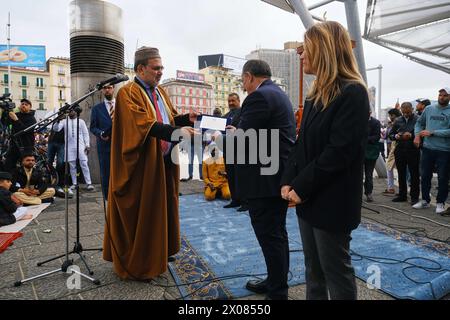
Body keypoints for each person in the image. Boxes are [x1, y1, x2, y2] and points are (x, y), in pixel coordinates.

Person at [281, 21, 370, 300]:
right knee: (313, 271)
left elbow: (338, 152)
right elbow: (302, 145)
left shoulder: (353, 92)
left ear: (324, 50)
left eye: (305, 49)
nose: (301, 54)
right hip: (309, 198)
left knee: (336, 273)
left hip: (332, 200)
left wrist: (301, 187)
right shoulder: (316, 93)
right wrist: (287, 180)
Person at [103, 46, 196, 280]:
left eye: (162, 68)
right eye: (156, 68)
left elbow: (169, 117)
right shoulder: (127, 93)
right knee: (144, 212)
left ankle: (159, 251)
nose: (160, 72)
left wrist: (187, 119)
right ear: (141, 69)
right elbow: (143, 125)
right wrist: (177, 131)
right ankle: (140, 263)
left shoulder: (160, 92)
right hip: (142, 166)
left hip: (162, 162)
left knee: (162, 209)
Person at [230, 59, 296, 300]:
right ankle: (275, 281)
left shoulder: (258, 97)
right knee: (276, 234)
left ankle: (278, 292)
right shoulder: (277, 93)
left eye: (243, 80)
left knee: (270, 236)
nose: (243, 86)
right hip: (276, 176)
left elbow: (242, 139)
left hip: (264, 180)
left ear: (249, 76)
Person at [413, 87, 450, 214]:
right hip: (428, 148)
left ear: (449, 97)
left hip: (444, 150)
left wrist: (433, 132)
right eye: (440, 95)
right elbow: (419, 123)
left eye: (445, 95)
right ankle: (425, 200)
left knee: (443, 177)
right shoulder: (429, 109)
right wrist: (417, 135)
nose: (442, 97)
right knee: (425, 176)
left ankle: (440, 203)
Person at [52, 109, 95, 192]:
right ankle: (74, 183)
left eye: (72, 110)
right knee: (72, 166)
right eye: (69, 110)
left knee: (84, 163)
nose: (71, 112)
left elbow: (86, 133)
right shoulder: (64, 121)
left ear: (76, 112)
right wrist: (58, 120)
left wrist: (87, 145)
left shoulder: (81, 121)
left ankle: (89, 183)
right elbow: (56, 129)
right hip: (69, 147)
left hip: (81, 146)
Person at [389, 102, 420, 204]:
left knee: (414, 174)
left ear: (412, 109)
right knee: (401, 173)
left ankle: (414, 197)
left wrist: (411, 135)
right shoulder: (398, 120)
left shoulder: (418, 119)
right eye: (404, 112)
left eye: (408, 111)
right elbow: (390, 135)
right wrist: (396, 136)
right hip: (400, 149)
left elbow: (421, 133)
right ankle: (402, 195)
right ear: (401, 110)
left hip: (413, 150)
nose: (406, 114)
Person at [222, 93, 248, 211]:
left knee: (241, 177)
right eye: (229, 101)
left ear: (238, 101)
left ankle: (245, 202)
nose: (231, 103)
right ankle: (235, 200)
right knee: (231, 175)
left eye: (233, 100)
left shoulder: (245, 112)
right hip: (228, 150)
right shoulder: (225, 116)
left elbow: (247, 128)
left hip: (241, 150)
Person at [90, 84, 115, 199]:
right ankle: (108, 197)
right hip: (105, 146)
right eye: (105, 88)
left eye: (109, 87)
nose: (107, 90)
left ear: (113, 88)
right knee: (106, 173)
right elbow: (93, 127)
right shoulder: (97, 109)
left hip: (121, 145)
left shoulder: (122, 106)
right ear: (102, 91)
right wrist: (100, 134)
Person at [1, 99, 37, 172]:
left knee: (24, 167)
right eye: (22, 104)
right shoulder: (16, 114)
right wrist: (5, 113)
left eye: (26, 104)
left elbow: (25, 131)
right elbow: (5, 123)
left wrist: (16, 120)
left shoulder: (32, 119)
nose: (23, 105)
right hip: (14, 144)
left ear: (30, 107)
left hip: (26, 146)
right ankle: (10, 181)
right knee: (9, 164)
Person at [383, 108, 402, 195]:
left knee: (389, 167)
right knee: (402, 170)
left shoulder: (396, 122)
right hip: (397, 147)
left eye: (390, 115)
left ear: (393, 115)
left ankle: (391, 188)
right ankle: (401, 189)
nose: (389, 117)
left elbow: (391, 136)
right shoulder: (401, 121)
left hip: (396, 147)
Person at [364, 110, 381, 202]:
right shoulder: (357, 120)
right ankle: (356, 193)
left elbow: (376, 137)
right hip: (358, 151)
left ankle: (368, 193)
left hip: (370, 152)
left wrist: (363, 139)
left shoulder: (375, 122)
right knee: (356, 174)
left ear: (370, 112)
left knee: (369, 174)